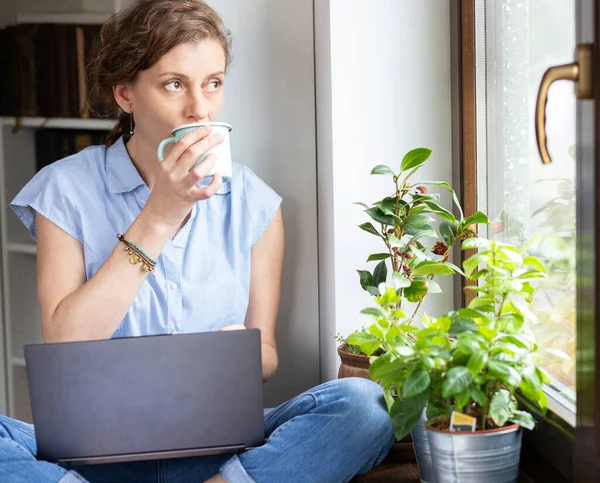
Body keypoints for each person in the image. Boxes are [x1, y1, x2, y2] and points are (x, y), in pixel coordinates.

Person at [1, 0, 395, 481]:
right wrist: (159, 216)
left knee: (366, 404)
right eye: (174, 85)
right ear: (125, 95)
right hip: (93, 457)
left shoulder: (253, 202)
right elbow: (65, 344)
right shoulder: (63, 190)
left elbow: (266, 352)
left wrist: (245, 357)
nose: (200, 109)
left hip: (219, 455)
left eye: (213, 83)